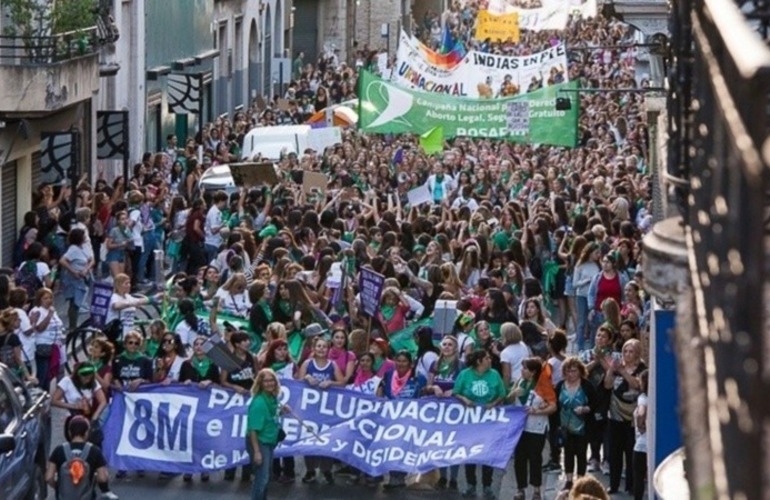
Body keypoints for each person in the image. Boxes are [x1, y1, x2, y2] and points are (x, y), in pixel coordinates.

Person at [453, 349, 506, 499]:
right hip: (469, 422)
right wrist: (465, 400)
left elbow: (502, 394)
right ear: (479, 361)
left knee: (487, 454)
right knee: (471, 454)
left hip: (489, 422)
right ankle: (471, 485)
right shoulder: (465, 375)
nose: (490, 360)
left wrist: (494, 403)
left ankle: (487, 486)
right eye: (487, 358)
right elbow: (456, 392)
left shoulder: (494, 374)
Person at [297, 336, 344, 485]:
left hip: (327, 410)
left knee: (326, 439)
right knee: (309, 439)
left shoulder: (332, 365)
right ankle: (310, 470)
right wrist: (306, 378)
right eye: (319, 346)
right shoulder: (307, 363)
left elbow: (343, 383)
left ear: (328, 349)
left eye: (324, 346)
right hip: (310, 410)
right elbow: (297, 382)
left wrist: (331, 382)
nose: (321, 349)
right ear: (314, 348)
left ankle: (326, 470)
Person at [377, 350, 427, 489]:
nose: (401, 364)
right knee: (392, 446)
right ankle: (394, 476)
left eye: (404, 361)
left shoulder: (418, 378)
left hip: (409, 419)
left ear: (410, 363)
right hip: (391, 417)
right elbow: (380, 390)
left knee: (403, 447)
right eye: (398, 360)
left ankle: (399, 477)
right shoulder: (388, 375)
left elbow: (424, 396)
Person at [509, 357, 556, 500]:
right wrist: (513, 394)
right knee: (520, 458)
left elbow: (553, 406)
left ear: (533, 371)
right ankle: (520, 489)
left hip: (536, 427)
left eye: (525, 369)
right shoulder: (519, 381)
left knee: (535, 458)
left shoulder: (543, 385)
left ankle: (536, 489)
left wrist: (538, 411)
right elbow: (509, 399)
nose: (522, 371)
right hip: (519, 428)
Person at [604, 338, 646, 494]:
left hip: (633, 416)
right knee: (615, 452)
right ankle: (614, 485)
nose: (627, 355)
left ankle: (631, 485)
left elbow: (638, 385)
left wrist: (623, 372)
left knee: (631, 452)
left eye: (631, 352)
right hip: (616, 414)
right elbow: (608, 385)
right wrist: (611, 370)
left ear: (637, 353)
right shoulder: (617, 366)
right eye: (625, 351)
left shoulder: (642, 368)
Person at [46, 416, 118, 500]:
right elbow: (102, 477)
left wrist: (58, 486)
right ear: (86, 432)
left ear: (69, 432)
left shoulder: (59, 450)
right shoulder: (94, 451)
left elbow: (48, 477)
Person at [179, 336, 220, 482]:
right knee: (190, 438)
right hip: (191, 407)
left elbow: (220, 386)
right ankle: (189, 469)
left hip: (207, 408)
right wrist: (186, 382)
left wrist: (210, 382)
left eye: (202, 344)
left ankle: (204, 468)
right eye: (196, 344)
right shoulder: (186, 365)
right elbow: (178, 385)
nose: (198, 347)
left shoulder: (213, 365)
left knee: (204, 438)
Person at [555, 357, 599, 492]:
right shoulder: (560, 385)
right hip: (565, 426)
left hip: (582, 427)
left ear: (580, 371)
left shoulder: (587, 385)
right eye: (568, 371)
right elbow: (555, 404)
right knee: (567, 453)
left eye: (574, 371)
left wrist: (586, 409)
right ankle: (568, 481)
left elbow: (595, 403)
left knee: (581, 453)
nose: (570, 374)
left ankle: (580, 482)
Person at [221, 331, 259, 481]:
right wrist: (234, 387)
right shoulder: (228, 360)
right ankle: (230, 470)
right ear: (236, 344)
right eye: (244, 341)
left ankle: (246, 470)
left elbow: (258, 376)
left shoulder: (252, 358)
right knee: (233, 435)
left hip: (249, 400)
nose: (247, 343)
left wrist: (254, 388)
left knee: (248, 435)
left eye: (248, 340)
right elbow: (223, 381)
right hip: (233, 401)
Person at [247, 368, 285, 500]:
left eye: (271, 380)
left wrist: (281, 411)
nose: (269, 383)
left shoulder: (271, 398)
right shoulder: (259, 403)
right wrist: (257, 452)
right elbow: (253, 429)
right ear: (260, 383)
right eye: (266, 381)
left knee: (266, 476)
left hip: (269, 440)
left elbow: (270, 416)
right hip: (259, 441)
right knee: (262, 478)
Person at [29, 287, 65, 391]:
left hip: (54, 346)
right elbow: (39, 328)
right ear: (40, 299)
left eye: (50, 298)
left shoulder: (52, 310)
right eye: (45, 298)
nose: (49, 300)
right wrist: (49, 316)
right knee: (42, 375)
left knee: (48, 376)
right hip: (42, 347)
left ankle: (46, 397)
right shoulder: (37, 311)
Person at [59, 227, 94, 330]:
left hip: (83, 277)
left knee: (78, 301)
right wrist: (73, 271)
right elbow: (62, 261)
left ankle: (73, 325)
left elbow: (92, 260)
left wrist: (86, 269)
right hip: (74, 279)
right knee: (74, 302)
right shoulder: (73, 249)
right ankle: (72, 326)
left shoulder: (84, 247)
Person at [633, 370, 649, 500]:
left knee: (638, 477)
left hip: (642, 445)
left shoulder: (643, 398)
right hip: (654, 444)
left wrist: (640, 425)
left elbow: (641, 413)